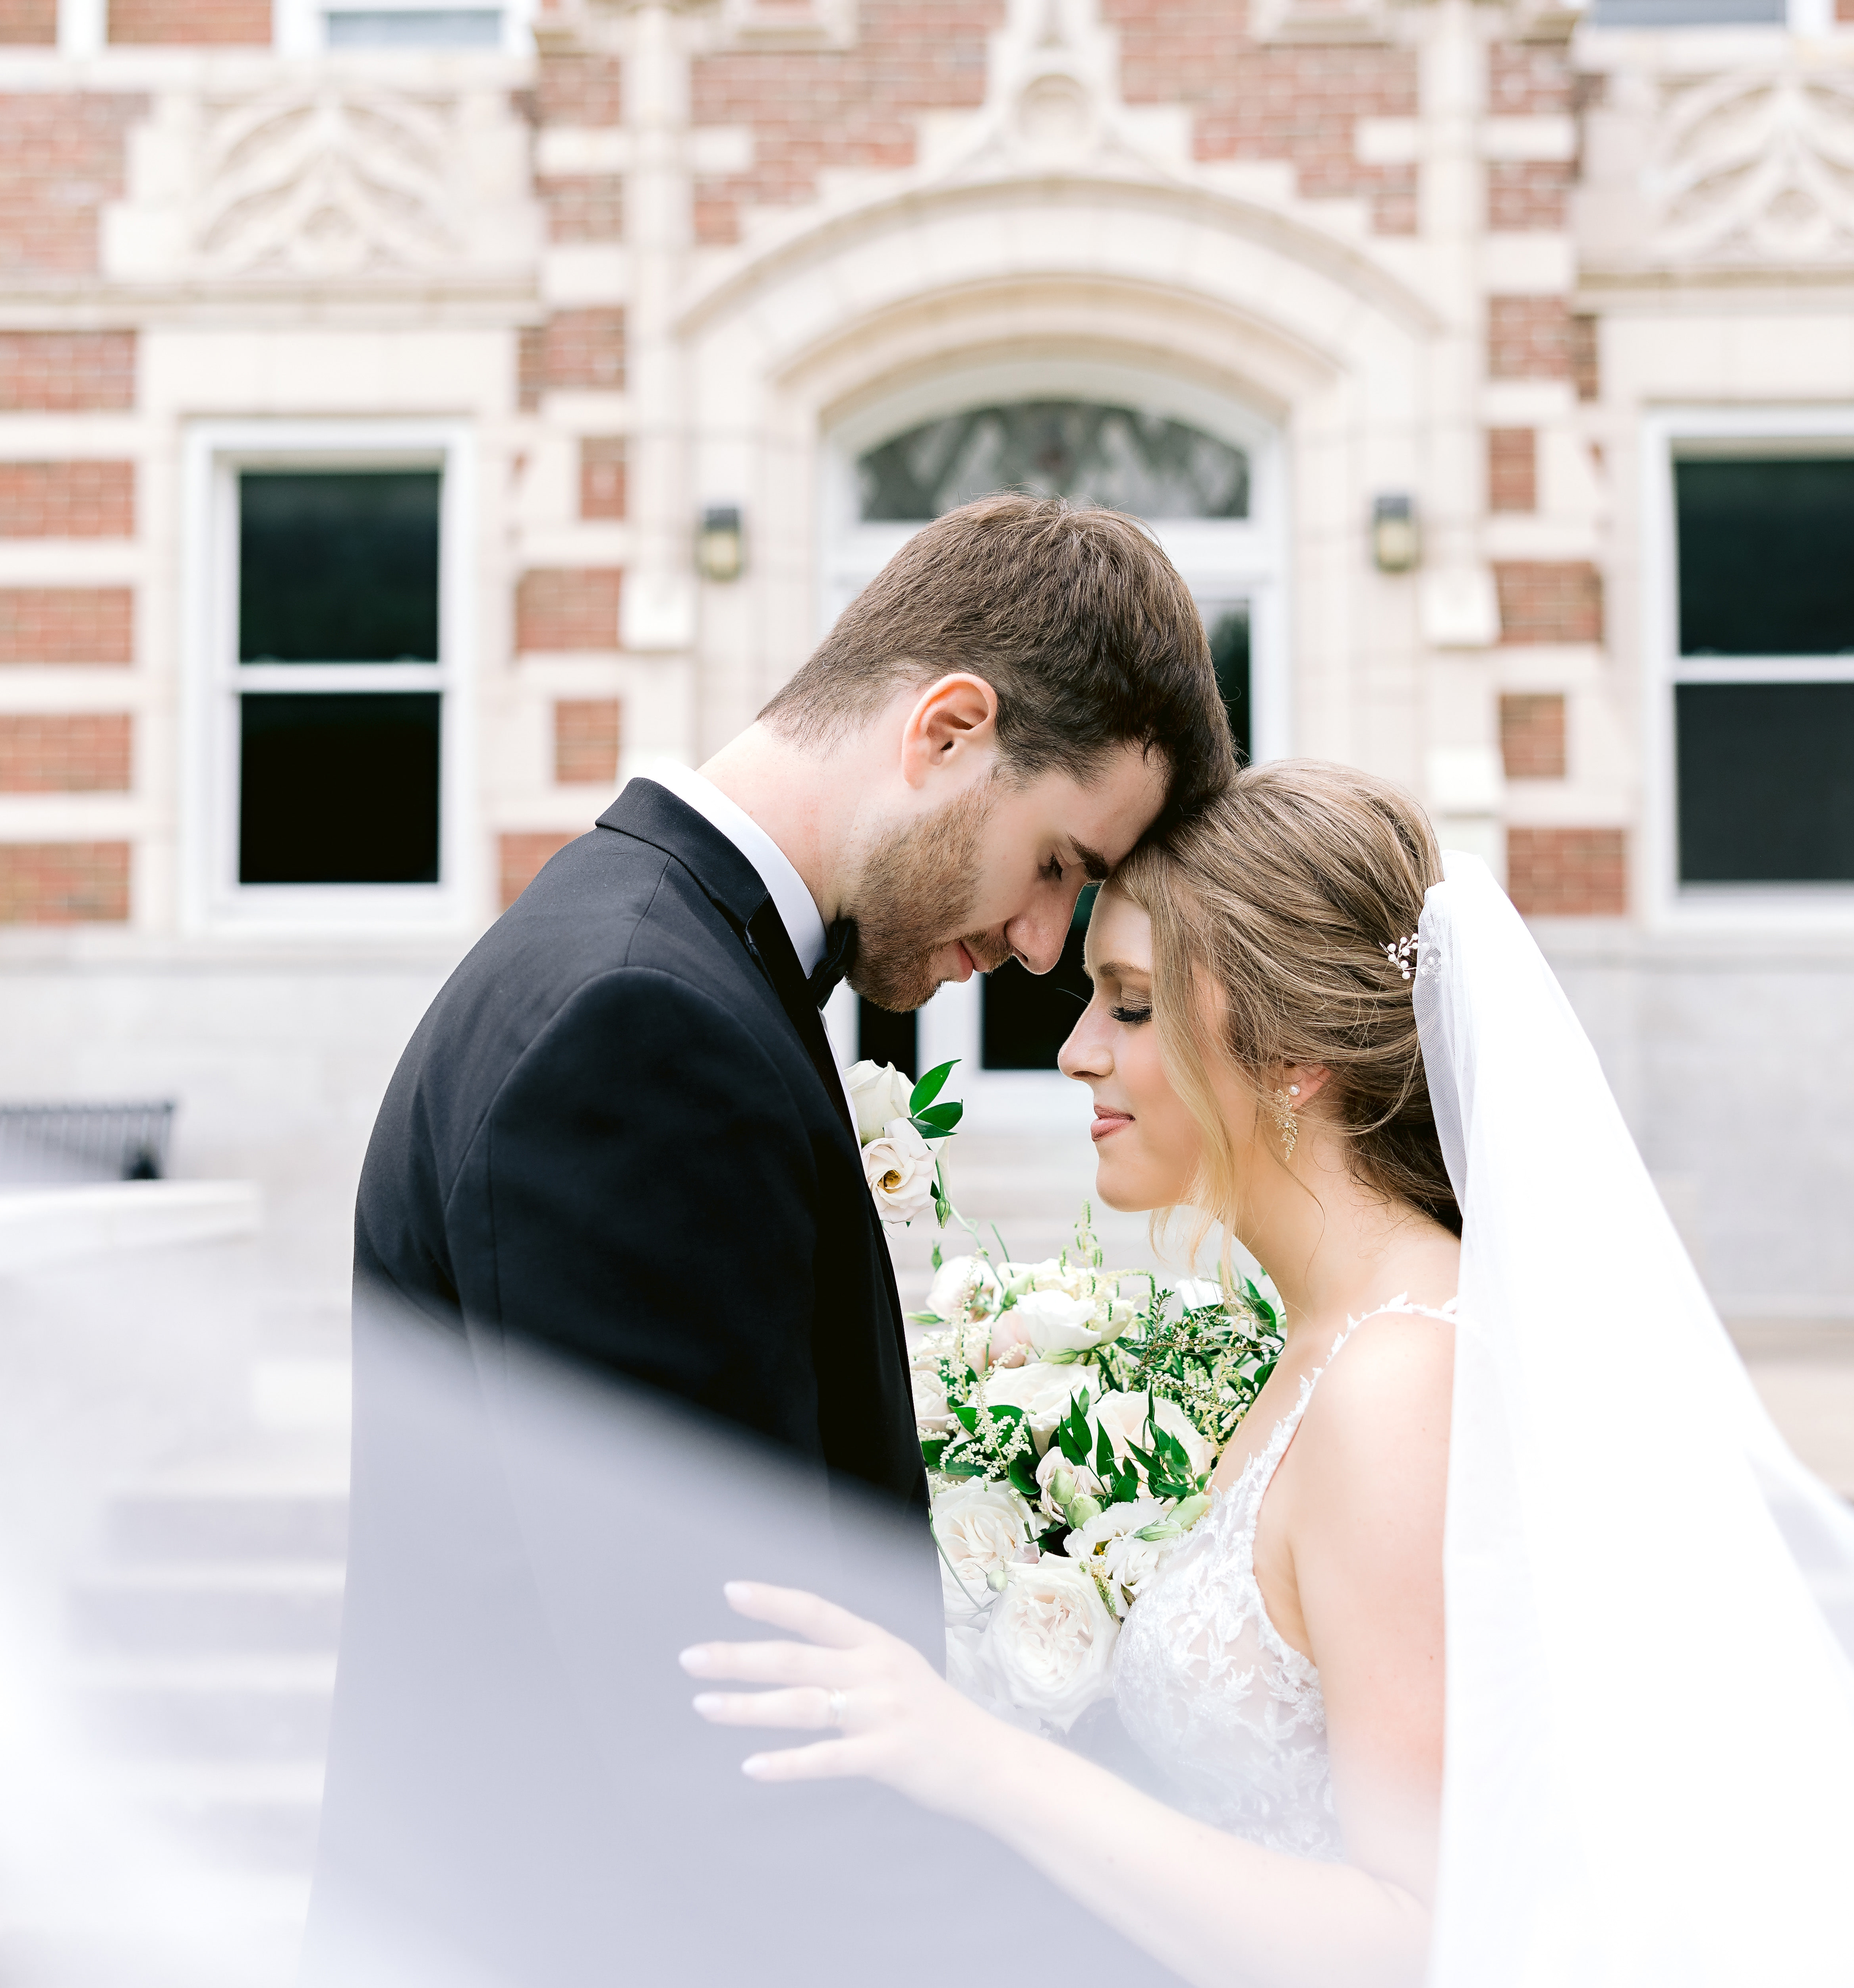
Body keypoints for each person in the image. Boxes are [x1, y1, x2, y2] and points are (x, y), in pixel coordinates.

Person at [681, 762, 1854, 1988]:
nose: (1071, 1053)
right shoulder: (1319, 1344)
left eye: (1126, 1004)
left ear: (1289, 1052)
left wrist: (982, 1762)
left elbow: (1420, 1935)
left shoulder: (1398, 1389)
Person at [302, 493, 1239, 1986]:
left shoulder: (643, 956)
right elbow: (731, 1751)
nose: (1047, 950)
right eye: (1060, 863)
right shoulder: (643, 1026)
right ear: (947, 729)